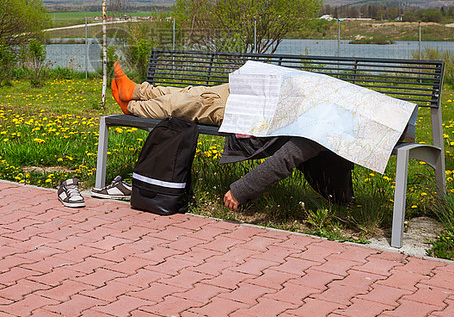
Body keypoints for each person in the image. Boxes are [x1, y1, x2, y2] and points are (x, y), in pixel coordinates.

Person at [110, 62, 355, 210]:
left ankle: (131, 104)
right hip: (261, 100)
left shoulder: (326, 125)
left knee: (196, 102)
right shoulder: (340, 113)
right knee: (198, 94)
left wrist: (242, 190)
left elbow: (288, 157)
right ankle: (138, 91)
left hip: (252, 118)